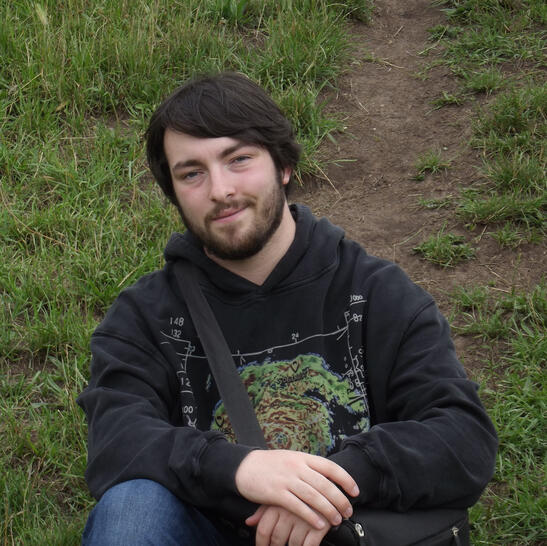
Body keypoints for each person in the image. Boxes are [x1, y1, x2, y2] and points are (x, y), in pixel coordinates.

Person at [77, 72, 497, 546]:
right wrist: (241, 468)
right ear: (173, 193)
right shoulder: (144, 316)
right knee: (131, 508)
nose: (220, 190)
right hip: (206, 533)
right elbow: (116, 441)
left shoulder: (375, 292)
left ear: (283, 165)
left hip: (344, 531)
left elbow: (463, 437)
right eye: (192, 173)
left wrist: (325, 488)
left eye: (238, 159)